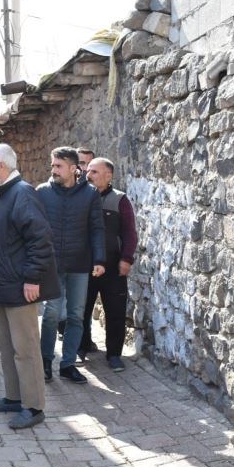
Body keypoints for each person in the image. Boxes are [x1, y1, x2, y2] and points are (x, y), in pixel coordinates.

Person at [0, 144, 59, 430]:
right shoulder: (3, 193)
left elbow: (40, 239)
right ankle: (15, 398)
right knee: (7, 346)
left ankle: (34, 406)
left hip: (20, 287)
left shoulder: (22, 193)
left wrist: (32, 278)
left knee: (25, 349)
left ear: (1, 166)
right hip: (4, 286)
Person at [37, 147, 106, 385]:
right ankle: (45, 361)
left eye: (58, 166)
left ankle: (67, 365)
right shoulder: (42, 192)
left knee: (77, 315)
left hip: (80, 263)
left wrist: (99, 259)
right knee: (51, 314)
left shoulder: (90, 194)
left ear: (73, 168)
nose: (53, 170)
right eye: (53, 165)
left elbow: (97, 229)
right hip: (51, 265)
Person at [80, 157, 138, 371]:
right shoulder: (81, 196)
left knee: (115, 311)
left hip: (113, 267)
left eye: (94, 171)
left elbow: (129, 233)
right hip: (84, 265)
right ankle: (81, 347)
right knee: (81, 309)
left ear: (108, 175)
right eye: (89, 171)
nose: (89, 174)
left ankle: (114, 355)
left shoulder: (119, 200)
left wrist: (126, 258)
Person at [57, 147, 97, 345]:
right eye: (82, 163)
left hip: (83, 258)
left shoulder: (91, 193)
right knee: (56, 309)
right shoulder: (57, 190)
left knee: (80, 306)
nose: (85, 168)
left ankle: (82, 342)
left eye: (89, 164)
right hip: (59, 259)